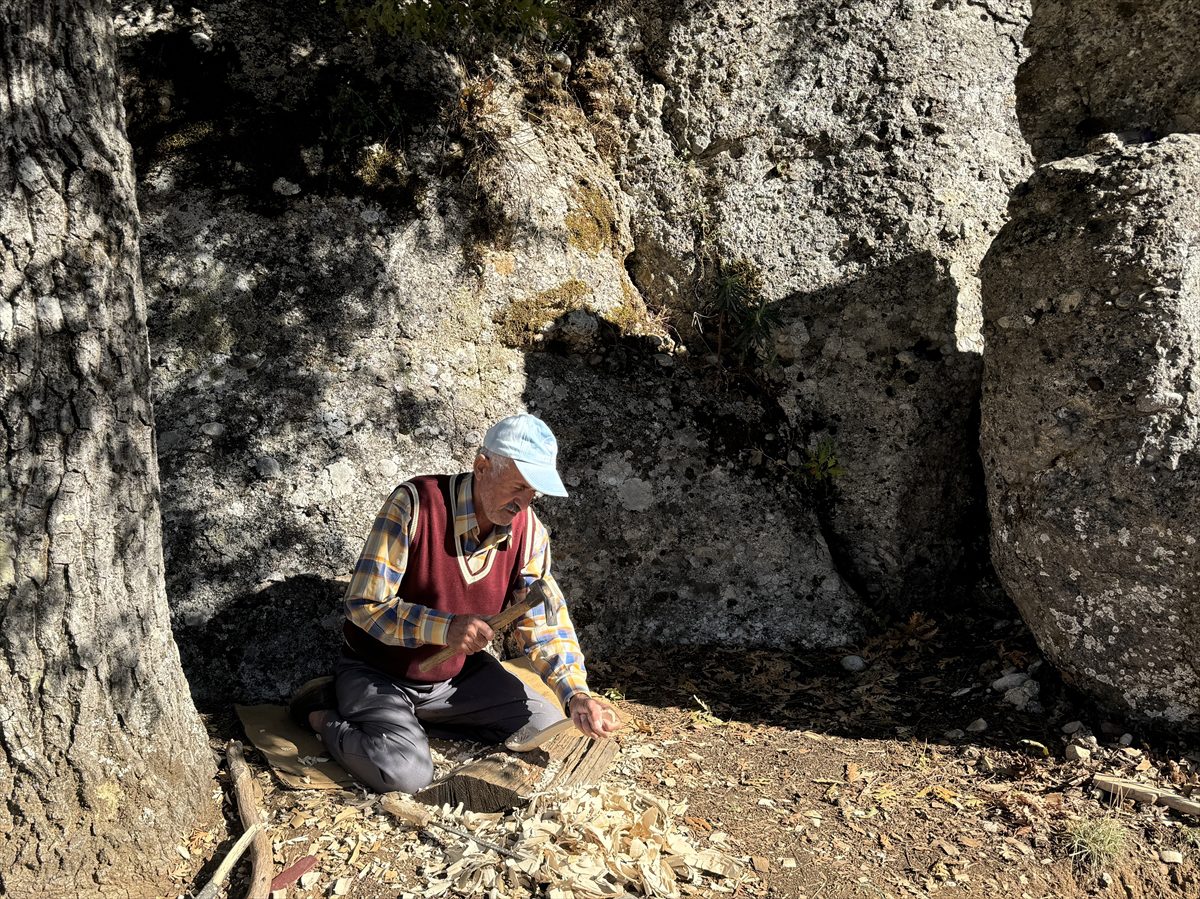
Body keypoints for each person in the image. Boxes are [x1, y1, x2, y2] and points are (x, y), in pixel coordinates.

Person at [290, 414, 618, 793]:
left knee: (544, 725)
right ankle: (323, 715)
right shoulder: (415, 505)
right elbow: (365, 604)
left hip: (456, 677)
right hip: (380, 672)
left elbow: (546, 622)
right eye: (518, 487)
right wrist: (445, 627)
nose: (523, 504)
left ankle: (415, 722)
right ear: (482, 467)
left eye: (533, 493)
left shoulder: (529, 533)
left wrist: (576, 693)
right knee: (405, 775)